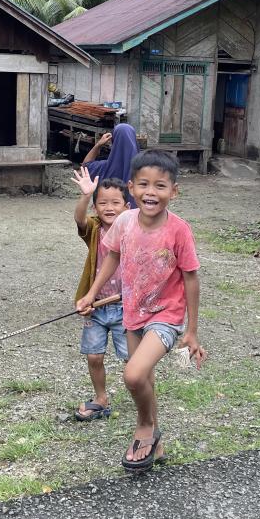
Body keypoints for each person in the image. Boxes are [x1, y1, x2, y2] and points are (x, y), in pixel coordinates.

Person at [76, 149, 205, 471]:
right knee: (143, 378)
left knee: (132, 374)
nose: (151, 192)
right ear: (132, 188)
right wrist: (91, 293)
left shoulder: (179, 230)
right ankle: (155, 442)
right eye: (144, 184)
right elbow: (113, 258)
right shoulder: (123, 222)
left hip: (166, 315)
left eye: (160, 186)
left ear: (174, 191)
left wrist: (191, 330)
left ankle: (145, 428)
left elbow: (191, 277)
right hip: (132, 313)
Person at [70, 167, 131, 422]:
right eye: (102, 203)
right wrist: (86, 196)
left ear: (126, 207)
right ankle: (101, 398)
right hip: (94, 306)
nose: (109, 207)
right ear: (96, 208)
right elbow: (79, 219)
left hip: (125, 307)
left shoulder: (132, 230)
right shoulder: (94, 228)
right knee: (94, 355)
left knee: (132, 359)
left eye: (115, 202)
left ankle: (143, 397)